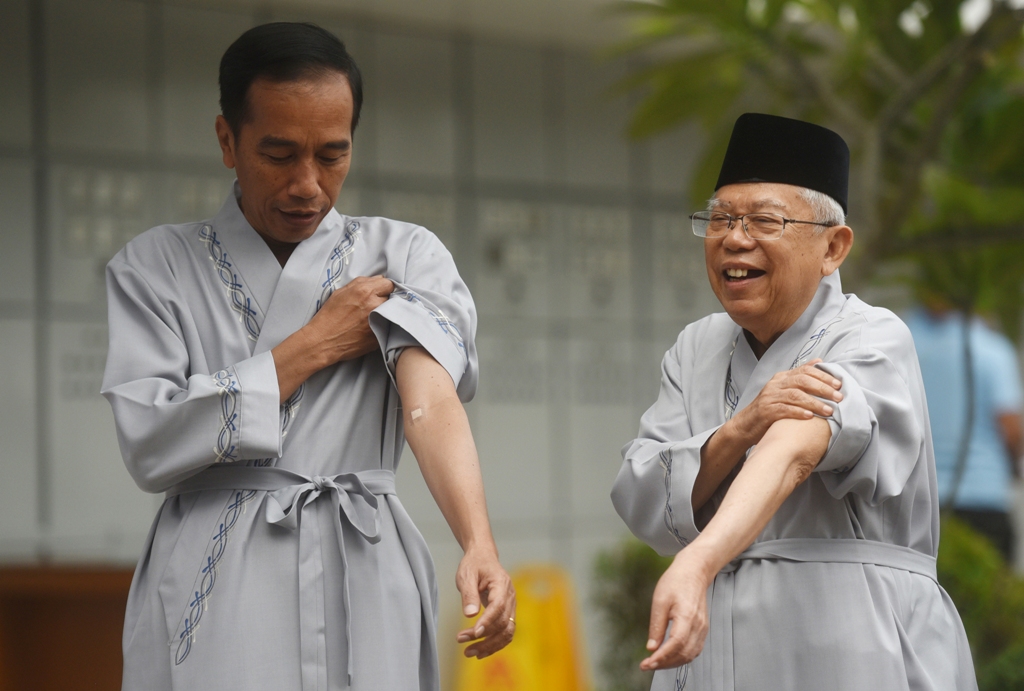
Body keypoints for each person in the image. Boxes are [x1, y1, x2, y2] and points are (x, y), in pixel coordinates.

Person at [101, 22, 515, 691]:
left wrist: (478, 540)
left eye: (331, 154)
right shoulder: (155, 267)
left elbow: (429, 399)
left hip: (362, 551)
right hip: (216, 569)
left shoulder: (405, 254)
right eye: (280, 153)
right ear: (227, 140)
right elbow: (149, 440)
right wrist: (312, 345)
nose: (308, 185)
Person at [611, 113, 976, 690]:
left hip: (850, 635)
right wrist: (739, 428)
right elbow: (640, 491)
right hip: (711, 638)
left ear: (833, 247)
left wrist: (700, 560)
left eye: (763, 220)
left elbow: (797, 449)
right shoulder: (694, 347)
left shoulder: (871, 335)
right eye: (720, 219)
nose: (734, 237)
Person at [906, 300, 1024, 562]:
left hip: (922, 502)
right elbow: (1010, 428)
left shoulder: (906, 343)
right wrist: (1015, 464)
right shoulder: (992, 350)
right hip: (985, 499)